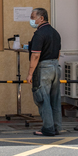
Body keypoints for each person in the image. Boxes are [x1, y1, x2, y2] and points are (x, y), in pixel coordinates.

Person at [26, 8, 62, 136]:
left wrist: (30, 73)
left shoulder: (39, 34)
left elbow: (35, 55)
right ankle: (57, 127)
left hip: (44, 68)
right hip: (56, 66)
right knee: (55, 99)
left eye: (32, 17)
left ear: (41, 18)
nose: (31, 20)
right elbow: (58, 53)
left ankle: (48, 128)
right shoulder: (55, 33)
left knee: (43, 98)